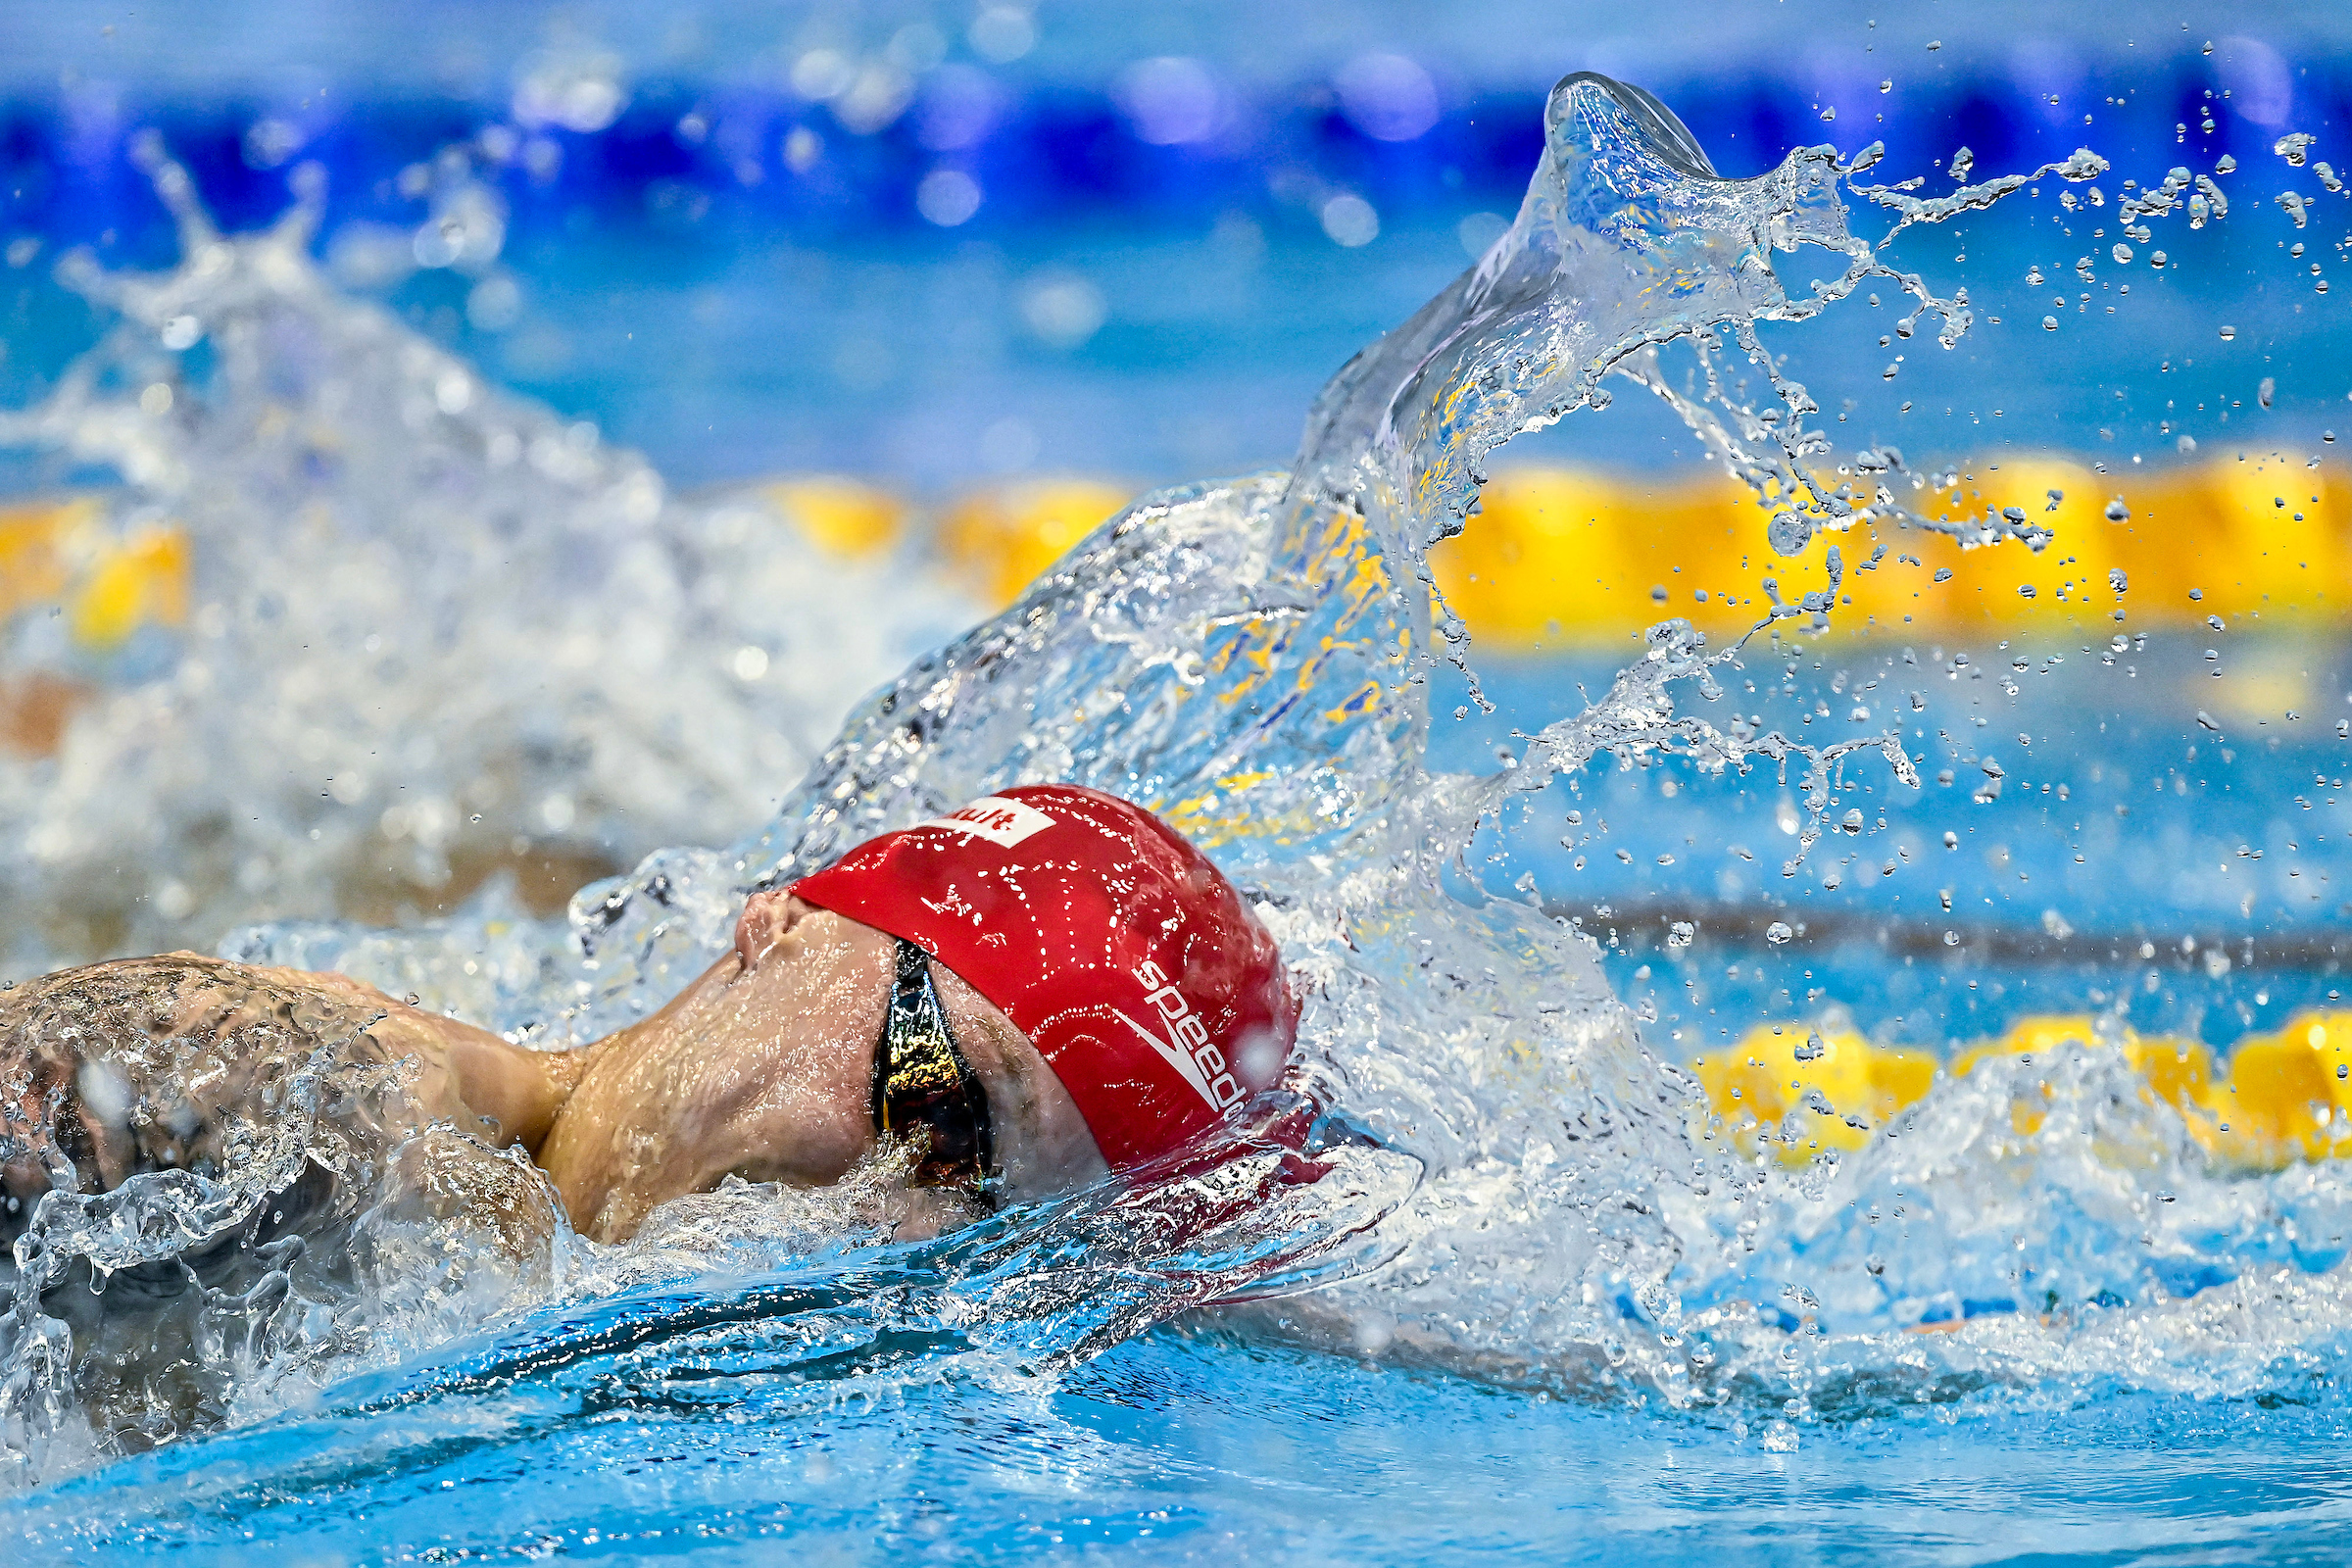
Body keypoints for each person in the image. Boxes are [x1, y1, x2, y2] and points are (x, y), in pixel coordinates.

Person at [1, 785, 1299, 1254]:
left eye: (986, 1219)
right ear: (785, 923)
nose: (901, 1221)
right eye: (936, 1105)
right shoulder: (317, 1102)